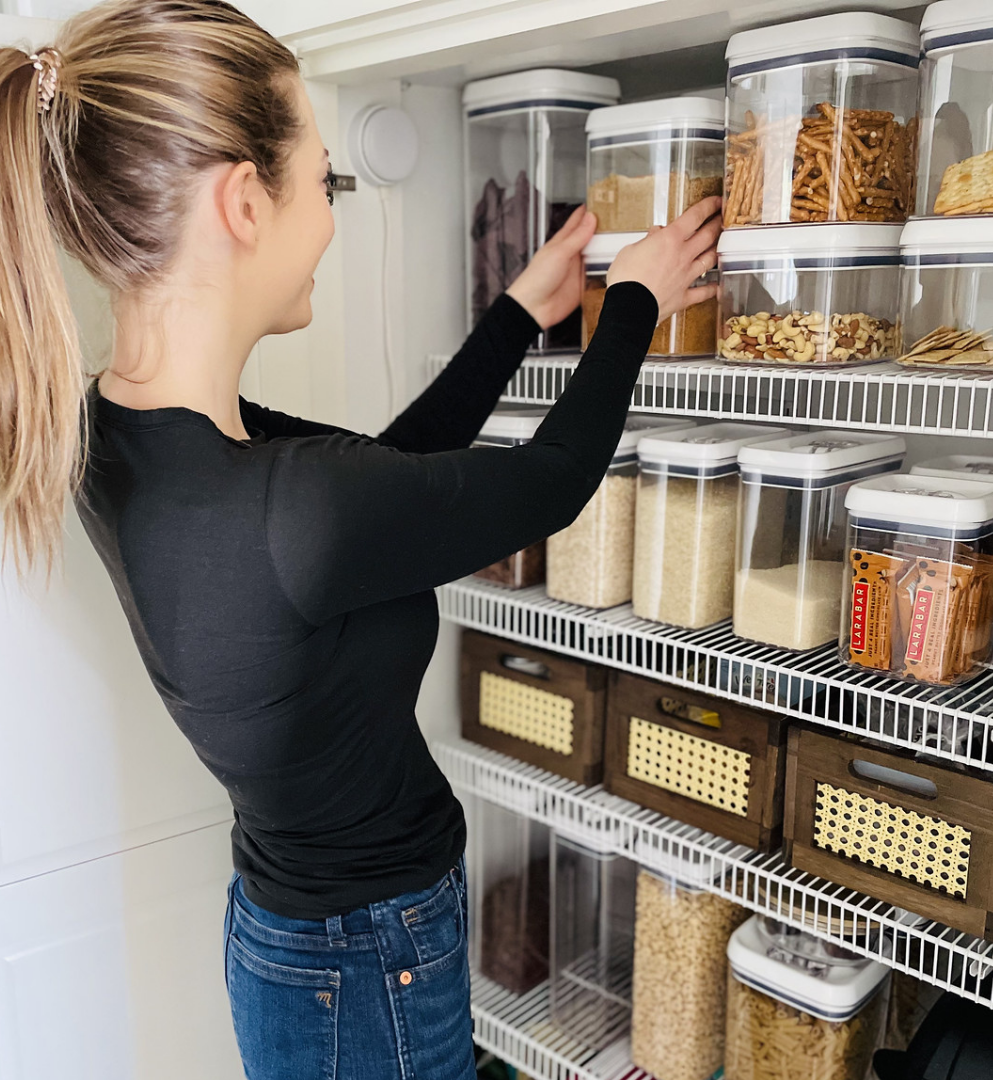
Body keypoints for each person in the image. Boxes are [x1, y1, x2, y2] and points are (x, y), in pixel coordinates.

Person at [0, 1, 721, 1077]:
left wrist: (519, 316)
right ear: (246, 201)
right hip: (365, 958)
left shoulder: (116, 436)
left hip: (301, 944)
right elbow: (550, 482)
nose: (331, 216)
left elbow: (382, 488)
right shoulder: (293, 507)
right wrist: (635, 303)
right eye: (326, 181)